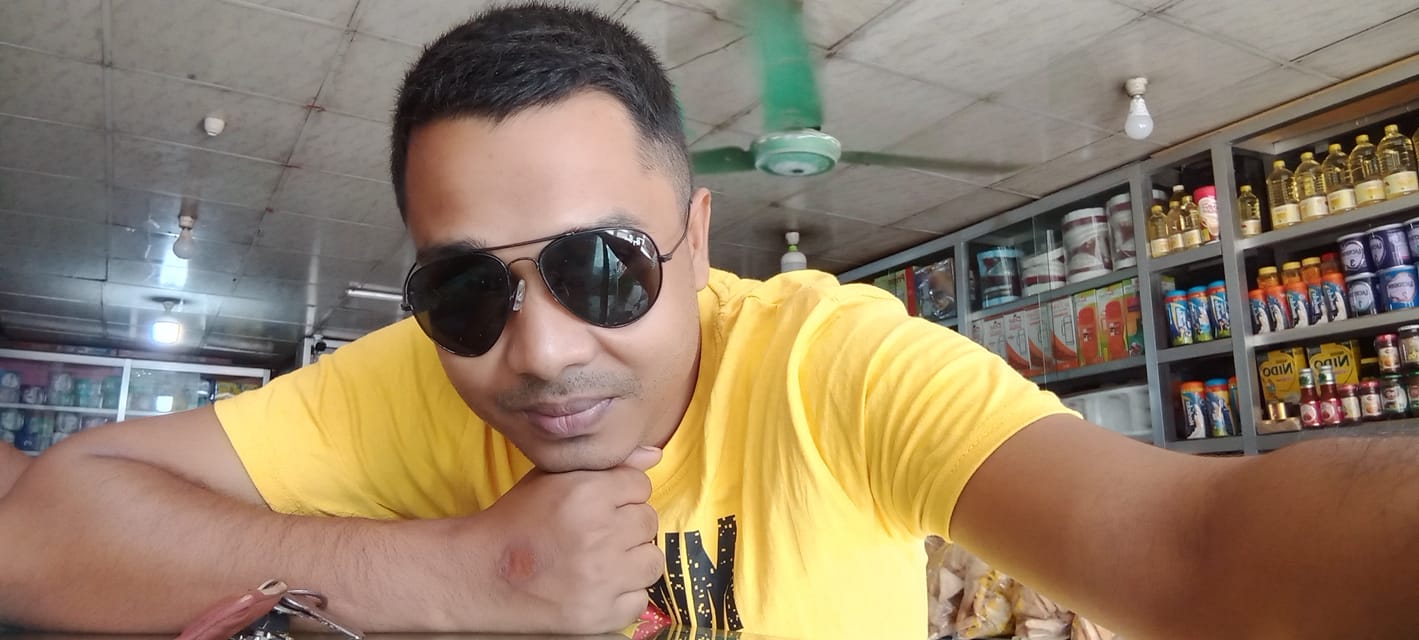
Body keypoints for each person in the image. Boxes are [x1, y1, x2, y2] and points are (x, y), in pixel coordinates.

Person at [3, 3, 1417, 639]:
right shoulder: (414, 380)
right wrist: (459, 573)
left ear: (696, 238)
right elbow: (43, 536)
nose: (540, 350)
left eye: (601, 266)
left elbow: (1198, 550)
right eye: (467, 290)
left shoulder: (827, 364)